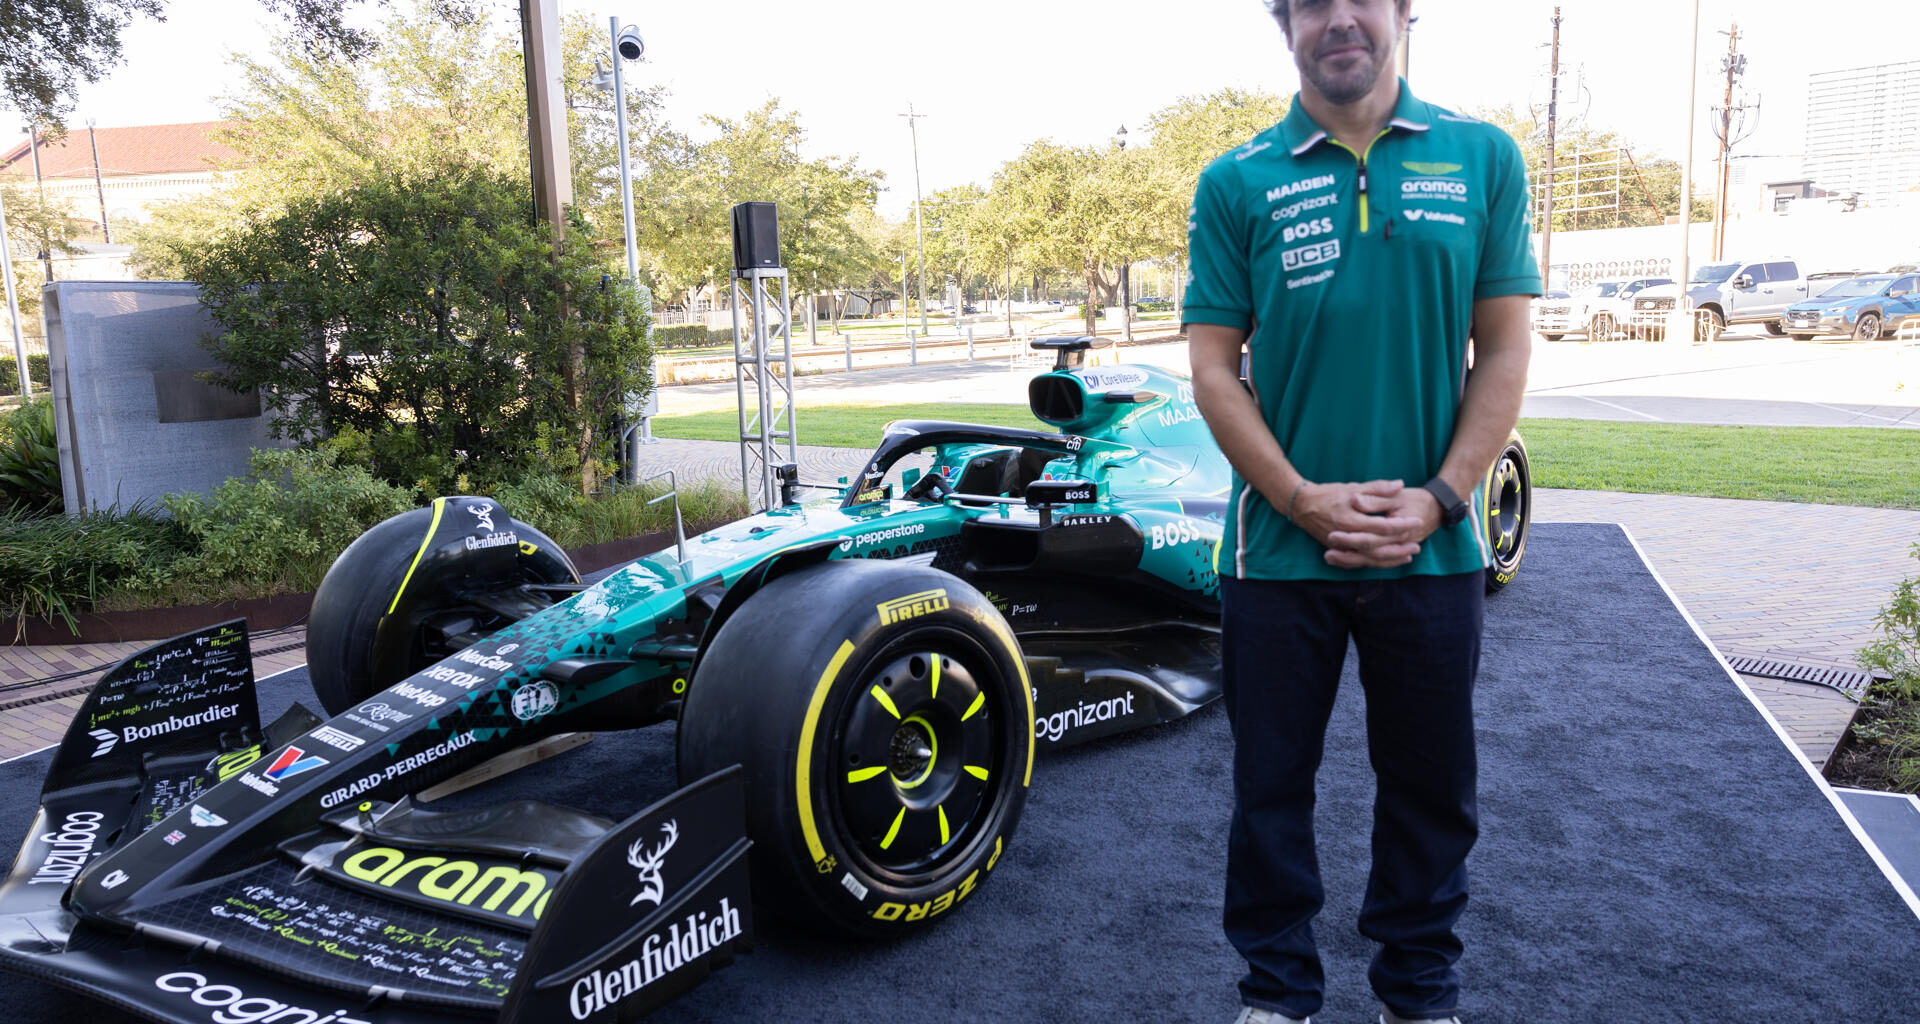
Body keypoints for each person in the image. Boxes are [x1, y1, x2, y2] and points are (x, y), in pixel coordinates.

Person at [1182, 1, 1539, 1023]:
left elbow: (1504, 348)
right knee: (1267, 793)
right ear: (1283, 22)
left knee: (1431, 792)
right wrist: (1296, 495)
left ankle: (1418, 992)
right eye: (1313, 2)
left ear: (1402, 13)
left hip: (1431, 553)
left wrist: (1439, 498)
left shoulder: (1481, 157)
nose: (1340, 18)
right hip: (1276, 554)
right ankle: (1279, 994)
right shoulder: (1236, 179)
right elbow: (1212, 369)